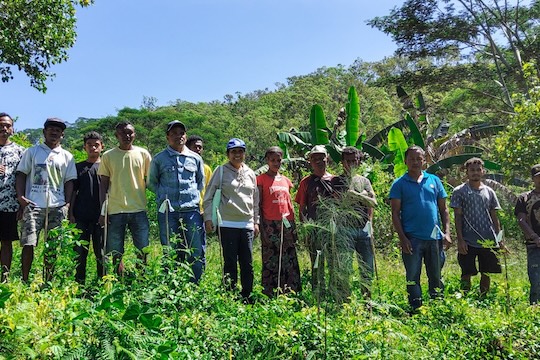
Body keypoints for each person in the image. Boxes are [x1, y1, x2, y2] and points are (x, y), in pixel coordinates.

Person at [389, 145, 451, 311]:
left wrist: (447, 233)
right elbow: (395, 213)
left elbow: (444, 209)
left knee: (436, 276)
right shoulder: (399, 184)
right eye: (411, 159)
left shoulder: (434, 181)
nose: (415, 162)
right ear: (405, 161)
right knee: (412, 277)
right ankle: (416, 309)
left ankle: (438, 309)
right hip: (412, 239)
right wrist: (403, 239)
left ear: (424, 160)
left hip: (435, 238)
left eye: (419, 159)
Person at [16, 117, 77, 282]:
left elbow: (70, 182)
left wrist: (67, 205)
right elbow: (21, 174)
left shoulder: (67, 156)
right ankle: (25, 279)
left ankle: (48, 281)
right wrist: (21, 197)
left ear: (62, 135)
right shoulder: (32, 152)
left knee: (52, 247)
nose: (54, 132)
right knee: (29, 244)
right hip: (33, 205)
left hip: (57, 206)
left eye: (58, 130)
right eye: (51, 129)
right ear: (44, 132)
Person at [148, 121, 206, 283]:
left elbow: (200, 182)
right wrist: (163, 195)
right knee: (170, 249)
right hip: (168, 212)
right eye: (174, 133)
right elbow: (152, 183)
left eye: (181, 133)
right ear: (167, 137)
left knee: (195, 250)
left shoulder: (195, 158)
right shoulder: (159, 159)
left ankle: (194, 286)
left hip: (191, 211)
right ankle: (171, 285)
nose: (178, 136)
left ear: (185, 136)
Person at [203, 138, 259, 303]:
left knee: (247, 263)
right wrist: (208, 218)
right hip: (227, 224)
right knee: (230, 263)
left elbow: (255, 199)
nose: (237, 154)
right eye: (233, 151)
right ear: (228, 154)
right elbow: (208, 197)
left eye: (240, 151)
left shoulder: (250, 173)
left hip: (247, 224)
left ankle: (247, 296)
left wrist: (256, 221)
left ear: (244, 154)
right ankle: (229, 295)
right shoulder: (220, 171)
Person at [98, 121, 152, 275]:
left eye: (130, 133)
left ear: (135, 134)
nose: (127, 136)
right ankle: (117, 279)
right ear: (117, 136)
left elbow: (151, 181)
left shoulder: (143, 154)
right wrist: (103, 210)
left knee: (142, 248)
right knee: (115, 251)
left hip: (139, 209)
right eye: (123, 133)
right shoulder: (108, 156)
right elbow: (103, 185)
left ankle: (142, 279)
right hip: (115, 210)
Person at [450, 157, 502, 295]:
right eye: (472, 170)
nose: (475, 173)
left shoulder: (489, 192)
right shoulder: (459, 191)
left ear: (483, 171)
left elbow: (494, 216)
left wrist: (499, 238)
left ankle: (483, 297)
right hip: (468, 240)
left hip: (487, 239)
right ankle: (464, 299)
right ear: (466, 172)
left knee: (487, 272)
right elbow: (458, 216)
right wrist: (460, 240)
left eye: (478, 170)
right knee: (466, 271)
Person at [331, 147, 377, 298]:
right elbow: (339, 203)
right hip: (344, 230)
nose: (351, 163)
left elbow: (373, 203)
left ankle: (367, 301)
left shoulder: (364, 181)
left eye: (354, 160)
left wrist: (355, 195)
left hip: (363, 229)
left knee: (367, 269)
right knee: (345, 268)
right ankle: (346, 300)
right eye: (348, 161)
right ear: (342, 162)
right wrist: (363, 196)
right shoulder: (335, 181)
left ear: (359, 161)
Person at [257, 146, 301, 297]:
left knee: (289, 257)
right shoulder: (261, 180)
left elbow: (290, 204)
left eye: (278, 160)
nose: (276, 163)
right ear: (267, 161)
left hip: (287, 224)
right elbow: (259, 204)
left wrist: (294, 227)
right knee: (271, 258)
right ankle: (269, 292)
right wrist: (261, 226)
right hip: (270, 224)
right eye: (272, 160)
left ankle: (290, 291)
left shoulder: (286, 181)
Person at [295, 145, 335, 298]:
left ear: (327, 159)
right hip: (313, 229)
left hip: (331, 230)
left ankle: (333, 293)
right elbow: (302, 209)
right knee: (317, 263)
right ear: (310, 161)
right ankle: (318, 292)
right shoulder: (306, 182)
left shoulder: (334, 180)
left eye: (321, 158)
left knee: (333, 263)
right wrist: (306, 230)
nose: (319, 161)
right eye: (315, 159)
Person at [69, 131, 105, 285]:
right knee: (79, 253)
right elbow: (73, 193)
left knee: (102, 253)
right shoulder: (78, 168)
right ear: (84, 147)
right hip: (80, 217)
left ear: (102, 147)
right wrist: (70, 213)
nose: (93, 148)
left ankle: (102, 284)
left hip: (101, 217)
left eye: (96, 145)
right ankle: (79, 284)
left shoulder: (107, 167)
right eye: (89, 145)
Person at [0, 113, 25, 281]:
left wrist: (22, 205)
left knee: (6, 242)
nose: (4, 128)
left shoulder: (20, 151)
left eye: (8, 125)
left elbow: (25, 179)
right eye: (1, 125)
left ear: (12, 129)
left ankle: (4, 278)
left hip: (9, 205)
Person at [515, 164, 540, 305]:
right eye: (538, 177)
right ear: (532, 179)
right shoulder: (524, 198)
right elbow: (521, 220)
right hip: (534, 245)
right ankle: (535, 309)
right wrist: (534, 237)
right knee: (536, 281)